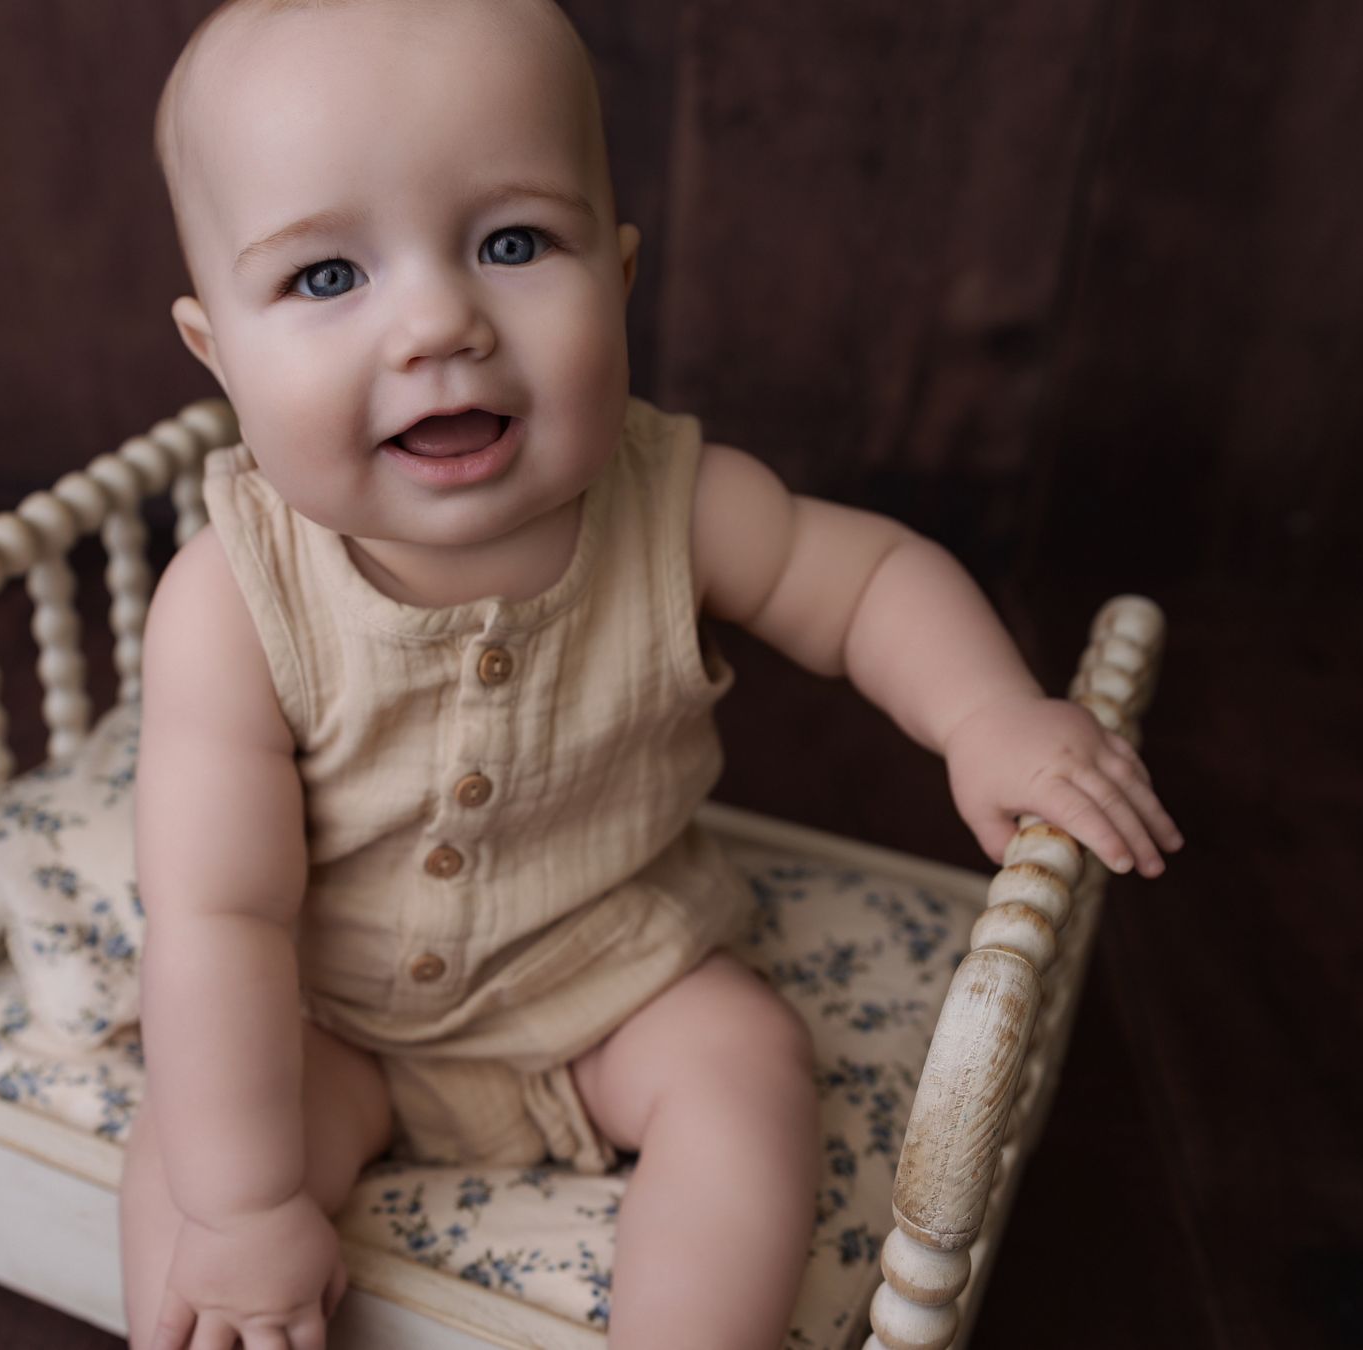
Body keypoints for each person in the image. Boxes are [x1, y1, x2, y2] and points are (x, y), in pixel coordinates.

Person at [118, 1, 1183, 1346]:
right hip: (329, 1015)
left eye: (513, 244)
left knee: (749, 1068)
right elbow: (220, 919)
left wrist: (984, 713)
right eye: (327, 276)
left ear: (617, 277)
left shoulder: (677, 506)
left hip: (615, 974)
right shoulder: (227, 604)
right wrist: (247, 1203)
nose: (439, 322)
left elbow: (865, 582)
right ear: (217, 350)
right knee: (189, 1169)